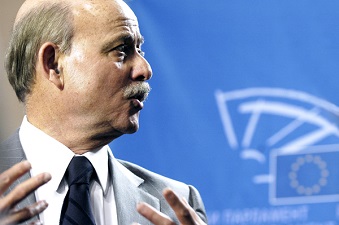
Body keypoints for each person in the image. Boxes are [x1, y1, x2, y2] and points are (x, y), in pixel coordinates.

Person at [0, 0, 208, 224]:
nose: (145, 69)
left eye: (139, 49)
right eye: (121, 50)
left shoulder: (178, 204)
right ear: (53, 64)